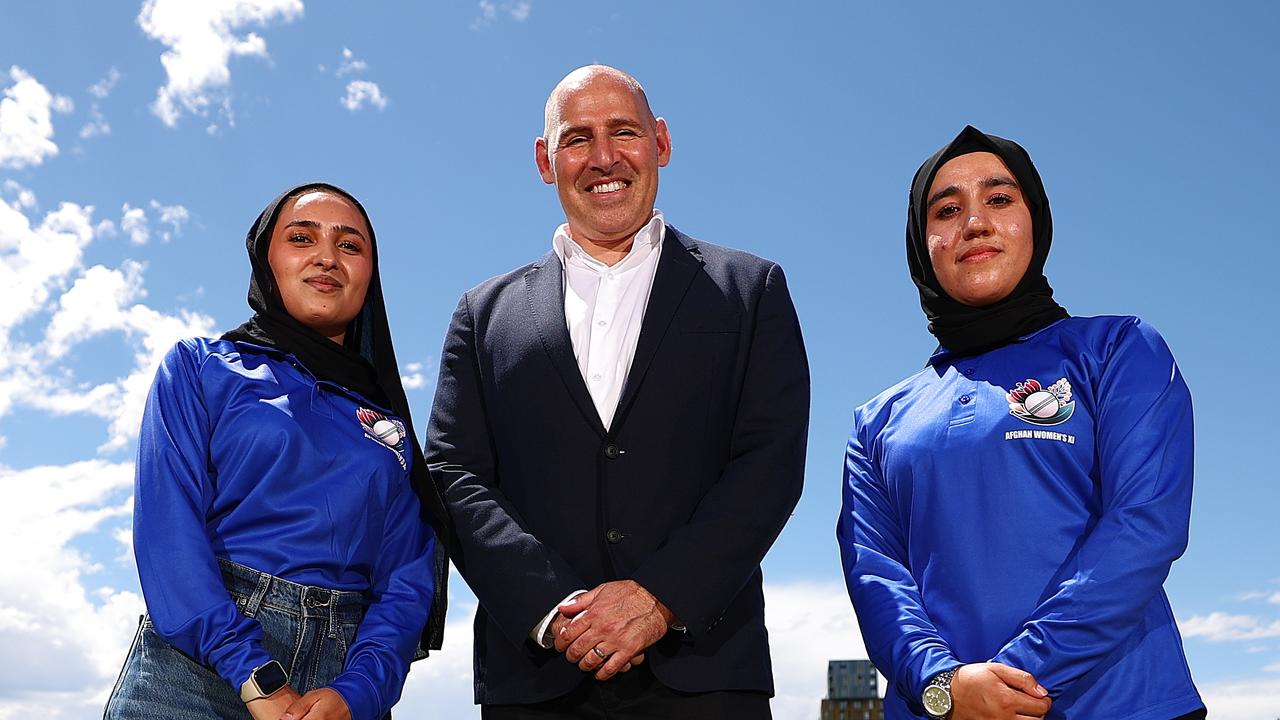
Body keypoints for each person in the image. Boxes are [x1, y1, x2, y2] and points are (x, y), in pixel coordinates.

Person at [426, 65, 810, 718]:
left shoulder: (752, 290)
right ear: (546, 161)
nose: (604, 158)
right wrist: (555, 609)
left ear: (660, 142)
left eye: (624, 132)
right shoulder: (481, 313)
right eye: (578, 138)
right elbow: (452, 473)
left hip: (707, 679)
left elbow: (769, 462)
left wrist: (659, 598)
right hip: (537, 680)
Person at [837, 126, 1205, 720]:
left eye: (1000, 199)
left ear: (1037, 221)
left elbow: (1144, 524)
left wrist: (1018, 677)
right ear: (919, 242)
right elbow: (875, 573)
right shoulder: (877, 421)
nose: (974, 223)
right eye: (947, 209)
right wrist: (944, 686)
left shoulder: (1118, 348)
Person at [104, 183, 450, 720]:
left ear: (369, 275)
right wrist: (252, 674)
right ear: (267, 260)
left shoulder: (390, 428)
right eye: (302, 237)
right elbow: (168, 532)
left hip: (340, 683)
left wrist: (357, 693)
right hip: (196, 672)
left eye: (350, 246)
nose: (327, 257)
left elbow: (407, 578)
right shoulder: (199, 368)